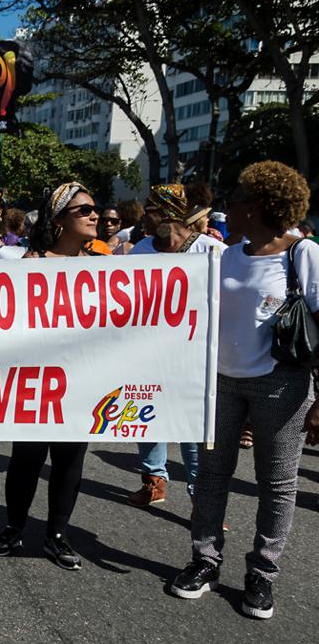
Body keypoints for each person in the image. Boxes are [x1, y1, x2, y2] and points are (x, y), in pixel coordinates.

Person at [169, 161, 319, 620]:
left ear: (254, 208)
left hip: (282, 383)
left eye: (233, 199)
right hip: (220, 382)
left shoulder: (304, 254)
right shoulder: (224, 255)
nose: (225, 207)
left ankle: (262, 574)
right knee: (213, 475)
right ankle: (204, 561)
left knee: (276, 483)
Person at [0, 181, 103, 570]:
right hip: (36, 382)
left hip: (82, 380)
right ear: (58, 220)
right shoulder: (31, 265)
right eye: (84, 210)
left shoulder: (102, 269)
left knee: (70, 461)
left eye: (94, 209)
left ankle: (57, 535)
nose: (94, 215)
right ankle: (13, 527)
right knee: (27, 459)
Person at [126, 184, 226, 508]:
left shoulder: (211, 250)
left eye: (150, 212)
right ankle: (153, 481)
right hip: (147, 353)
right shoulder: (141, 249)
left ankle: (202, 501)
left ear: (167, 215)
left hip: (193, 356)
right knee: (146, 414)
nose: (144, 219)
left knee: (192, 427)